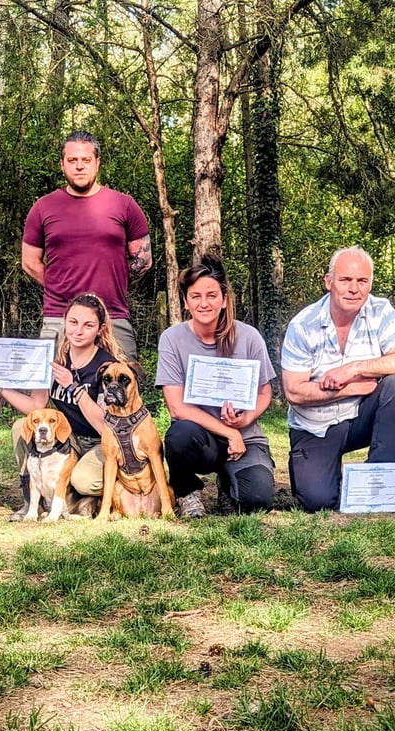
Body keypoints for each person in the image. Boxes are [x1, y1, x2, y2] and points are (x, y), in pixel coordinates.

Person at [0, 293, 125, 521]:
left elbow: (103, 425)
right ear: (64, 320)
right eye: (73, 322)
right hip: (68, 437)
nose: (78, 331)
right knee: (21, 428)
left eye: (88, 325)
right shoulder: (54, 357)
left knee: (84, 480)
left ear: (101, 329)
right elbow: (36, 406)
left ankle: (85, 499)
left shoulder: (107, 366)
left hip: (100, 441)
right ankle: (31, 502)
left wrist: (73, 387)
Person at [155, 255, 275, 518]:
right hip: (201, 438)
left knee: (258, 499)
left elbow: (265, 392)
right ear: (186, 302)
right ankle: (187, 491)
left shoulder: (249, 336)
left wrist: (246, 419)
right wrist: (227, 432)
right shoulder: (172, 339)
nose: (204, 303)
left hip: (244, 435)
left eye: (211, 295)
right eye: (195, 296)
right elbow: (176, 407)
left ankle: (228, 485)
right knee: (179, 435)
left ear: (224, 299)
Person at [21, 130, 153, 362]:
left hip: (112, 317)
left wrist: (115, 284)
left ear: (97, 163)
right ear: (62, 164)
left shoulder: (124, 205)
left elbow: (143, 260)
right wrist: (60, 287)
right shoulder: (43, 207)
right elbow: (30, 262)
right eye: (72, 160)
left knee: (122, 394)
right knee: (51, 392)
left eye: (86, 160)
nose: (79, 166)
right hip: (60, 318)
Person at [281, 245, 395, 512]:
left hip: (361, 415)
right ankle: (317, 471)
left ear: (370, 284)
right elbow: (294, 392)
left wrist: (353, 369)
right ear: (329, 282)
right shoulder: (302, 325)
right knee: (318, 501)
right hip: (316, 425)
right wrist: (349, 388)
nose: (353, 288)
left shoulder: (382, 311)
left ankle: (378, 481)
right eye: (345, 280)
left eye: (362, 281)